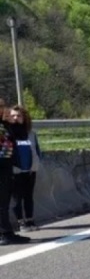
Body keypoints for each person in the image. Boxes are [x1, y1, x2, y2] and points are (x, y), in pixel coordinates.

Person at [9, 105, 41, 232]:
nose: (16, 118)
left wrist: (36, 163)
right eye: (13, 116)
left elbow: (37, 150)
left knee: (29, 196)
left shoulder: (31, 134)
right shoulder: (9, 134)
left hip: (30, 170)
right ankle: (20, 222)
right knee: (17, 198)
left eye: (19, 116)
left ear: (25, 118)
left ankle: (30, 220)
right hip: (15, 171)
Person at [0, 100, 27, 245]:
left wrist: (15, 120)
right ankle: (4, 234)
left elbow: (22, 134)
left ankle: (7, 232)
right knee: (1, 203)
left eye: (2, 107)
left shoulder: (5, 124)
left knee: (4, 202)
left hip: (6, 166)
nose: (2, 110)